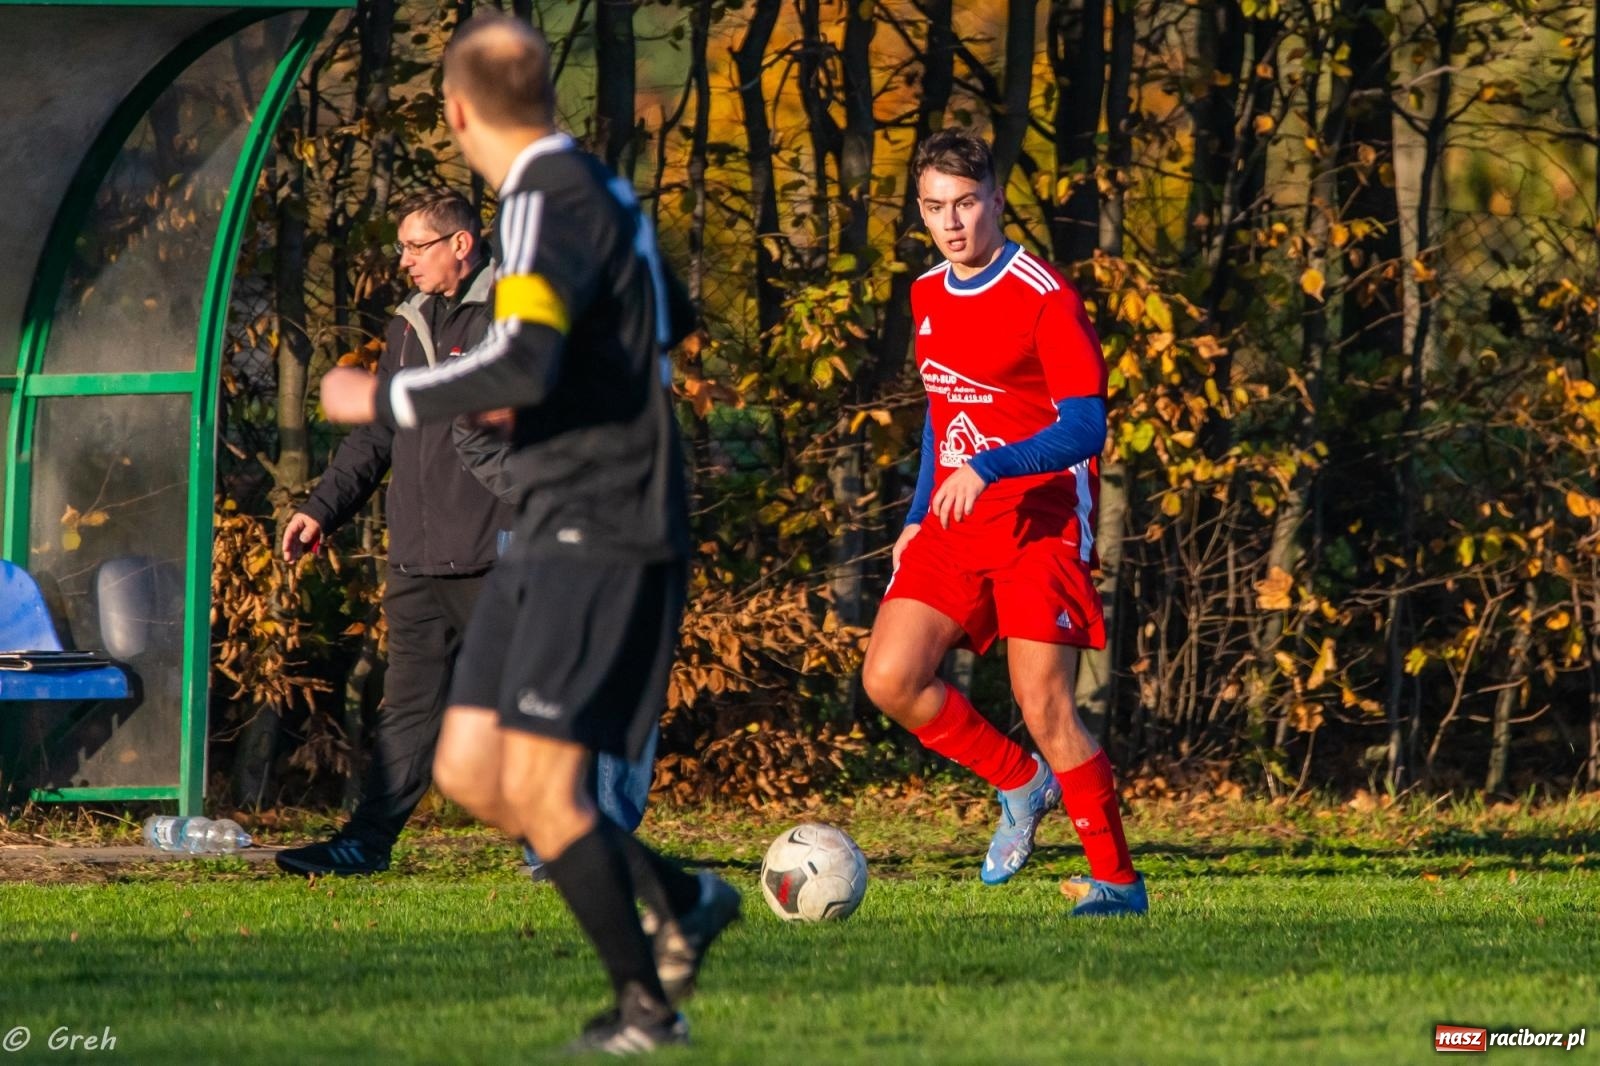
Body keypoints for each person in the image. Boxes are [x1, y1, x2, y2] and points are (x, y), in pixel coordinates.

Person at [317, 14, 739, 1055]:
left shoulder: (551, 201)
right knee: (468, 765)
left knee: (542, 781)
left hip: (603, 520)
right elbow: (665, 322)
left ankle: (648, 1005)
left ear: (458, 112)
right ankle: (681, 896)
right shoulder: (589, 198)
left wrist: (387, 393)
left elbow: (528, 366)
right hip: (556, 511)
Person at [275, 189, 655, 878]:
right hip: (419, 556)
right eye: (401, 248)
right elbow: (380, 433)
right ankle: (367, 842)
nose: (405, 262)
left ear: (462, 244)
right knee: (409, 712)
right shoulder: (407, 324)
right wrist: (321, 507)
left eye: (417, 246)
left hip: (498, 548)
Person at [860, 129, 1147, 917]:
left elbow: (1086, 428)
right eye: (933, 208)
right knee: (889, 678)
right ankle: (1021, 783)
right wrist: (919, 514)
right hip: (957, 519)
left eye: (964, 204)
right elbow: (941, 411)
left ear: (994, 198)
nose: (951, 223)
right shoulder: (924, 295)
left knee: (1043, 704)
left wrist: (988, 466)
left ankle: (1118, 885)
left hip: (1041, 519)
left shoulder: (1043, 294)